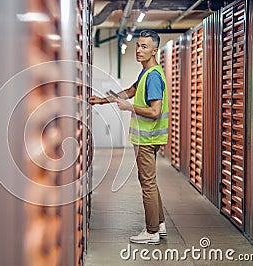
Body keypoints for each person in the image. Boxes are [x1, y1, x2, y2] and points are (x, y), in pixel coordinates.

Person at [89, 30, 168, 245]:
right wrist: (103, 100)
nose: (139, 50)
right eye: (138, 45)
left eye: (144, 46)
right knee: (149, 181)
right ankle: (159, 225)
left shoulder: (152, 76)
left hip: (147, 138)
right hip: (147, 138)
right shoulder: (146, 73)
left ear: (155, 50)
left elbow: (155, 112)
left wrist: (129, 108)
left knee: (147, 184)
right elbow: (130, 91)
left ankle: (151, 232)